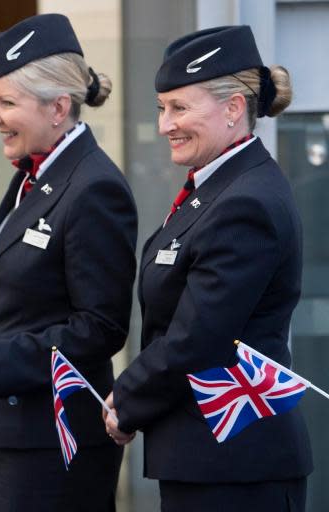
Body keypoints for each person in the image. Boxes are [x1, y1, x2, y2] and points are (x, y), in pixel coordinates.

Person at [0, 14, 137, 512]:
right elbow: (12, 309)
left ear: (58, 107)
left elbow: (101, 328)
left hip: (58, 442)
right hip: (13, 431)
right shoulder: (34, 175)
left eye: (7, 102)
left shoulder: (93, 186)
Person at [104, 25, 312, 511]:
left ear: (234, 108)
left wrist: (128, 399)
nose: (164, 125)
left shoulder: (246, 201)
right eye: (161, 108)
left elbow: (199, 336)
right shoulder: (220, 188)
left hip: (236, 468)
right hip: (209, 460)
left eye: (180, 108)